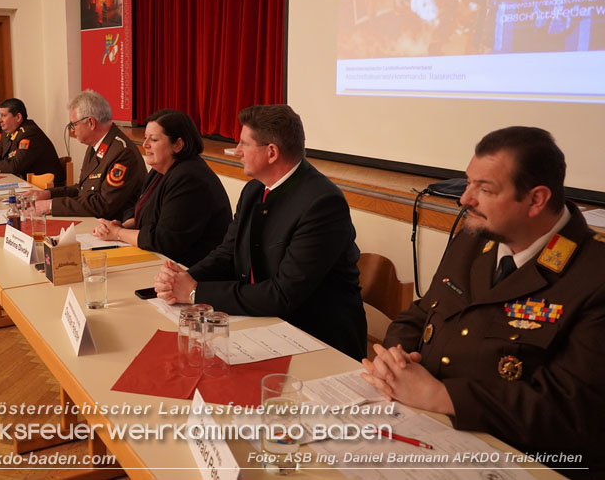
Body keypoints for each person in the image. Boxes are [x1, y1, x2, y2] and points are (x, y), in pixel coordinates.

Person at [362, 127, 605, 478]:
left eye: (485, 189)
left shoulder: (594, 275)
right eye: (468, 183)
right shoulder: (476, 239)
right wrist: (394, 360)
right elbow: (423, 312)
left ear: (536, 200)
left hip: (519, 457)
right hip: (424, 423)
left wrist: (443, 396)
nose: (465, 199)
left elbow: (571, 410)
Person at [154, 104, 367, 360]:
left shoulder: (322, 204)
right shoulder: (254, 189)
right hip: (264, 322)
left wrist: (193, 292)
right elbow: (227, 253)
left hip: (318, 339)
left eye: (244, 144)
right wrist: (183, 278)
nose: (237, 151)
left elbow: (283, 294)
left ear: (272, 152)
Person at [92, 109, 232, 267]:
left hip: (192, 270)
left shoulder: (189, 179)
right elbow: (146, 215)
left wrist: (118, 233)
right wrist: (121, 226)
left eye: (153, 139)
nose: (145, 145)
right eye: (145, 138)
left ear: (178, 144)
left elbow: (164, 241)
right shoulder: (159, 171)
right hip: (164, 262)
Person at [34, 90, 145, 219]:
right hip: (95, 221)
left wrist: (51, 206)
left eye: (74, 124)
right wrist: (48, 194)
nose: (72, 130)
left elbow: (103, 205)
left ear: (91, 123)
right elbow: (83, 190)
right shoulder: (96, 145)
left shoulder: (122, 153)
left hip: (115, 225)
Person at [0, 98, 63, 184]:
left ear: (18, 117)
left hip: (47, 187)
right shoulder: (8, 132)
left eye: (3, 116)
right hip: (25, 183)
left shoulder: (29, 133)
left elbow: (15, 166)